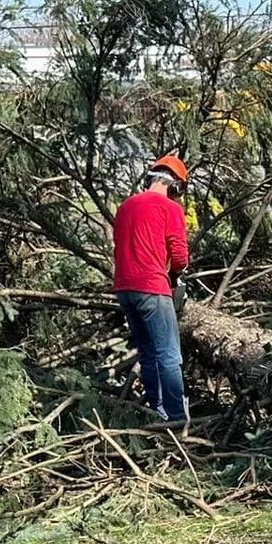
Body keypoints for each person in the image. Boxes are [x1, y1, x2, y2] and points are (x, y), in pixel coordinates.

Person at [112, 153, 191, 424]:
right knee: (169, 355)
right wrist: (175, 274)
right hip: (152, 289)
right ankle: (177, 418)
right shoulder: (171, 209)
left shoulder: (125, 206)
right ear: (175, 186)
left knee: (147, 352)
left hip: (124, 289)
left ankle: (156, 409)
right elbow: (179, 256)